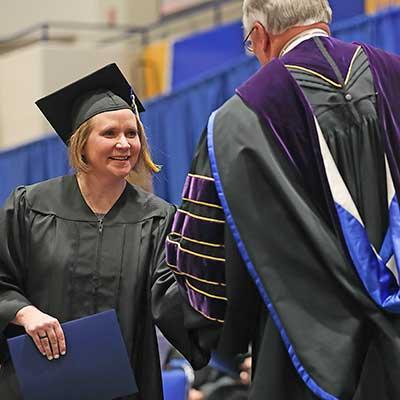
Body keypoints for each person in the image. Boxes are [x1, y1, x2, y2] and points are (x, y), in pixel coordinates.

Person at [166, 0, 400, 399]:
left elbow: (210, 266)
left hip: (302, 356)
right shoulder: (394, 75)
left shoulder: (235, 123)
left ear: (259, 35)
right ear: (325, 18)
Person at [0, 63, 208, 399]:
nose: (125, 144)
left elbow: (172, 299)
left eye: (132, 133)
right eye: (110, 133)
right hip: (36, 384)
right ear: (81, 143)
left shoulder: (157, 220)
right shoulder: (29, 207)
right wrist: (24, 313)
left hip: (122, 387)